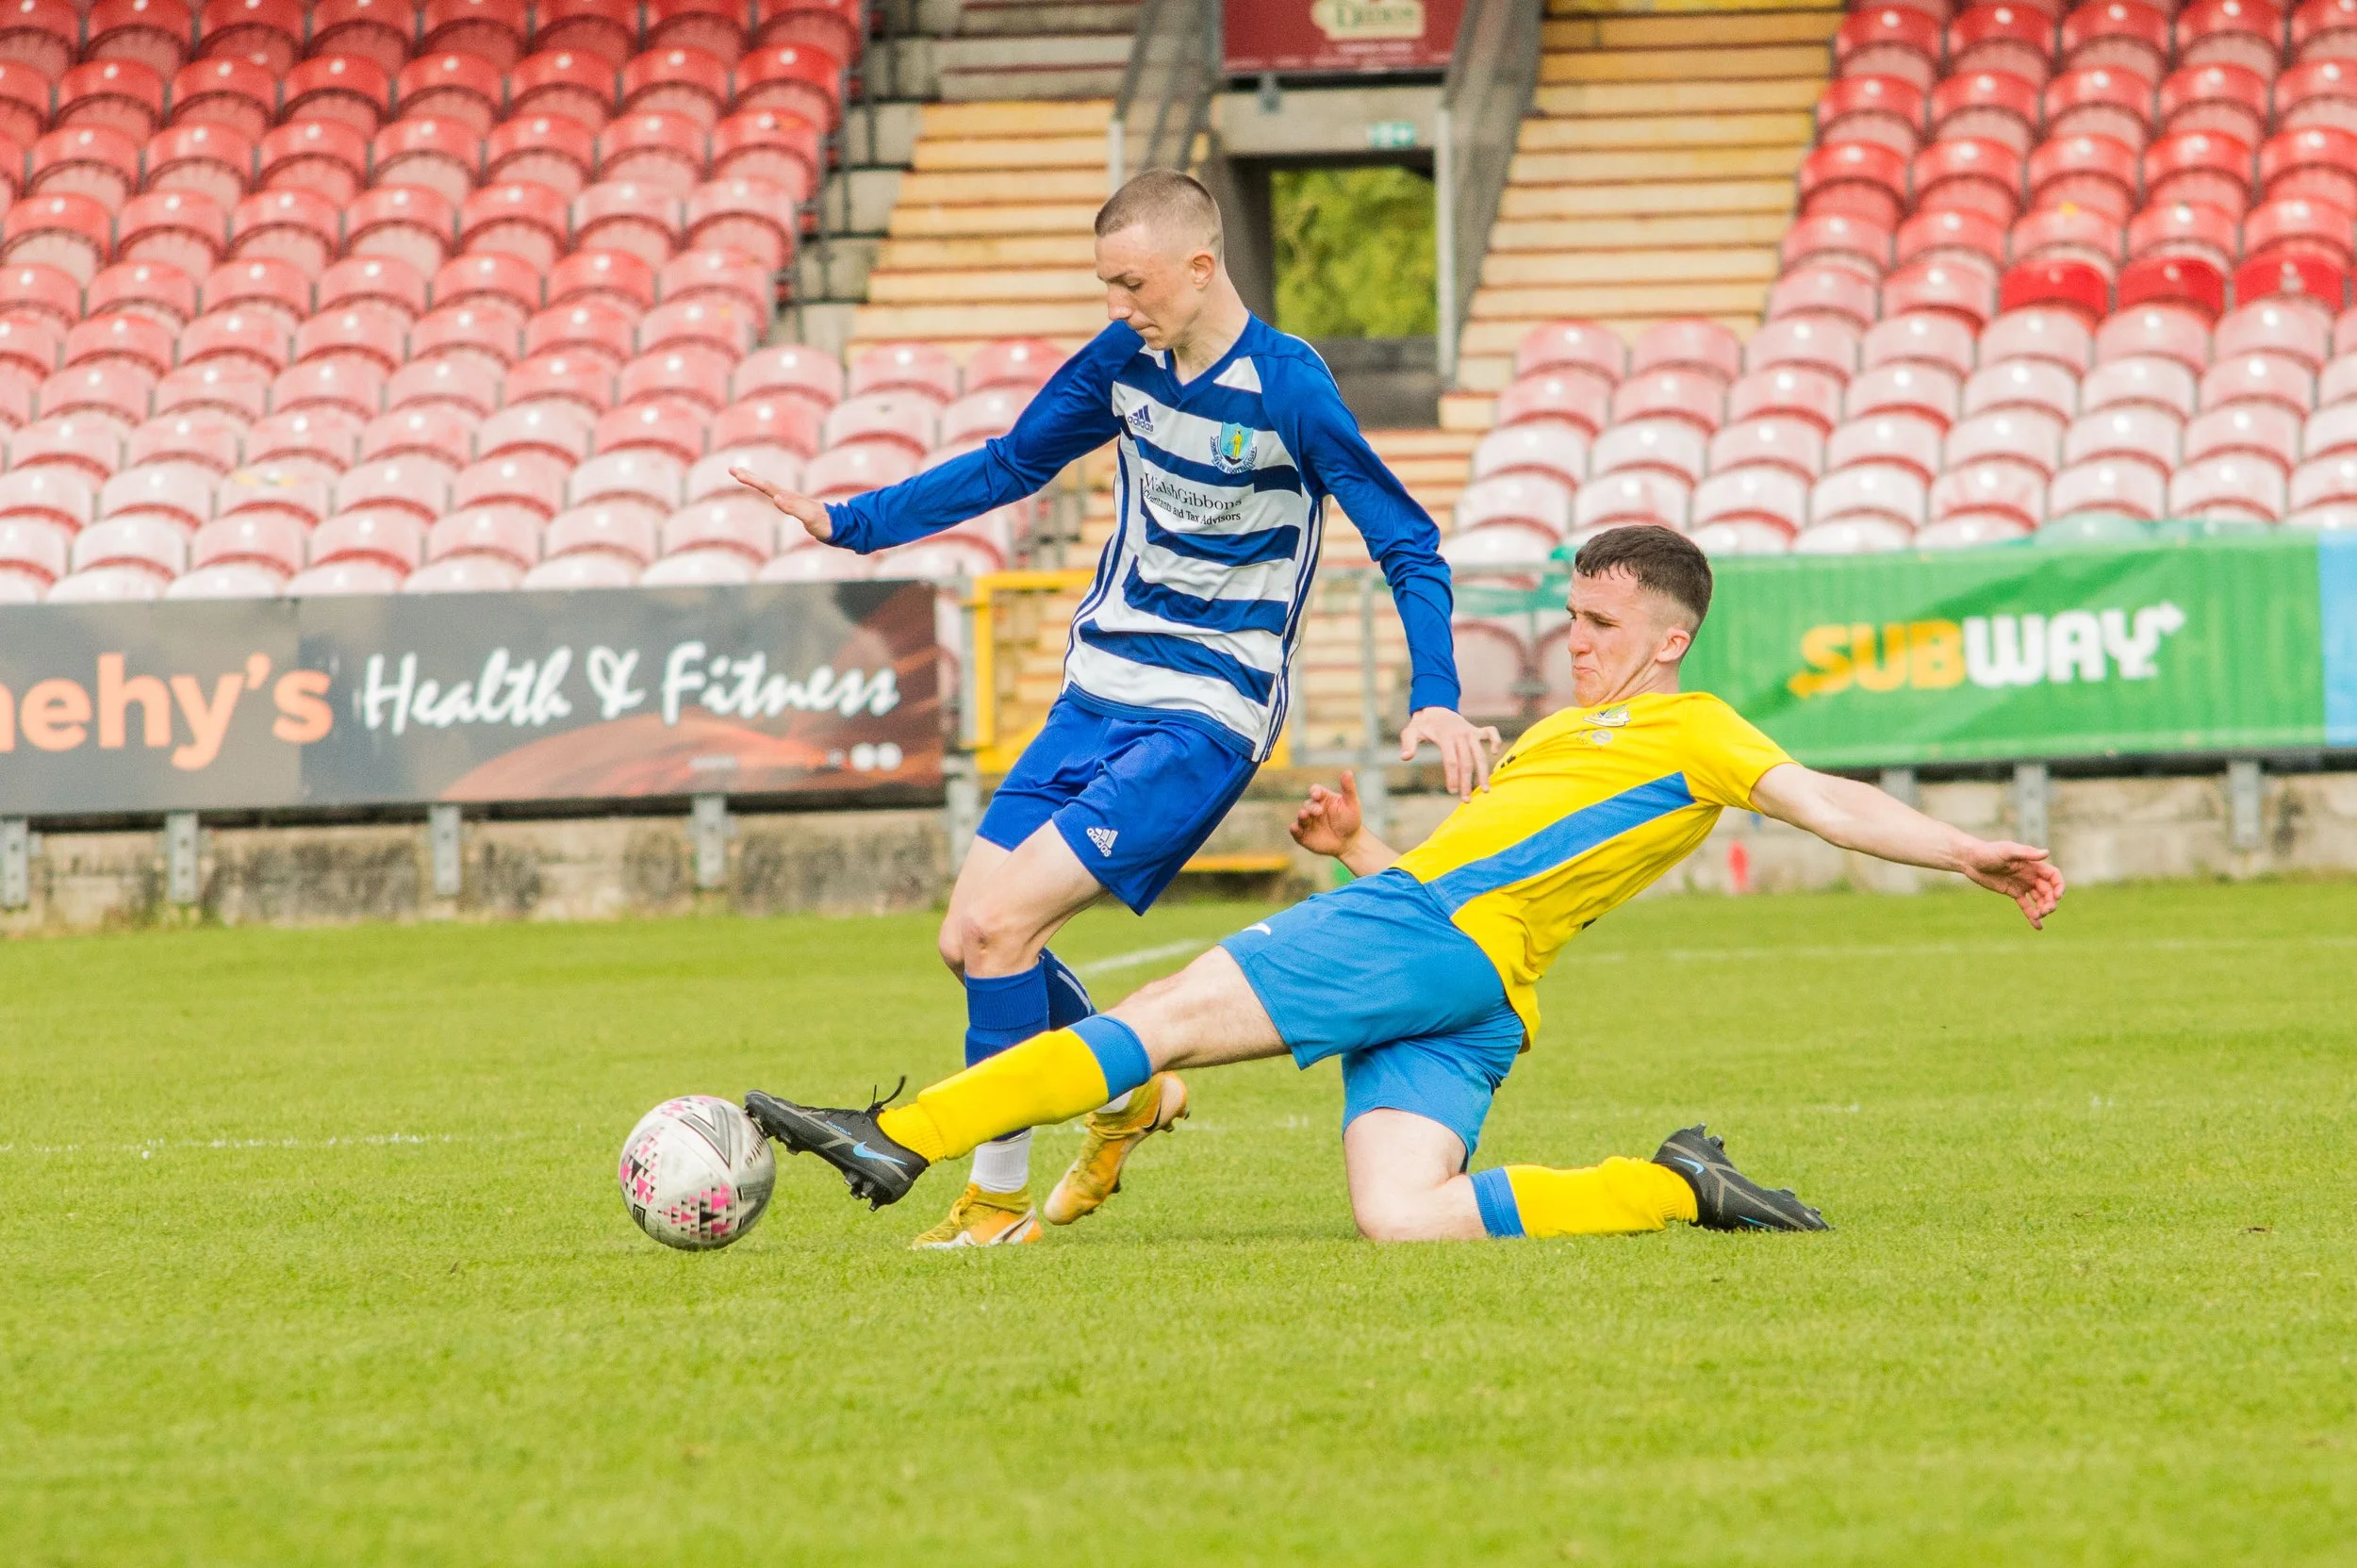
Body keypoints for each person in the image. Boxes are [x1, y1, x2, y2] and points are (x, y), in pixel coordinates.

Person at [743, 525, 2068, 1242]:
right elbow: (1483, 868)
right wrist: (1355, 851)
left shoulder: (1699, 725)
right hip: (1471, 977)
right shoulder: (1559, 736)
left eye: (1602, 624)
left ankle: (901, 1137)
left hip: (1435, 942)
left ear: (1670, 638)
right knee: (1403, 1216)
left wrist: (1966, 849)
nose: (1575, 635)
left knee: (1158, 1023)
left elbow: (1825, 802)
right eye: (1573, 613)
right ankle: (1676, 1184)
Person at [733, 169, 1497, 1247]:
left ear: (1200, 265)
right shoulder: (1124, 362)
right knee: (964, 938)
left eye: (1130, 283)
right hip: (1096, 690)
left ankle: (995, 1206)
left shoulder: (1290, 387)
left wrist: (1436, 695)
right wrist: (847, 520)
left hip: (1204, 714)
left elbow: (1406, 541)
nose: (1116, 306)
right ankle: (1130, 1092)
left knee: (1001, 929)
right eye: (1103, 285)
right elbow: (1011, 464)